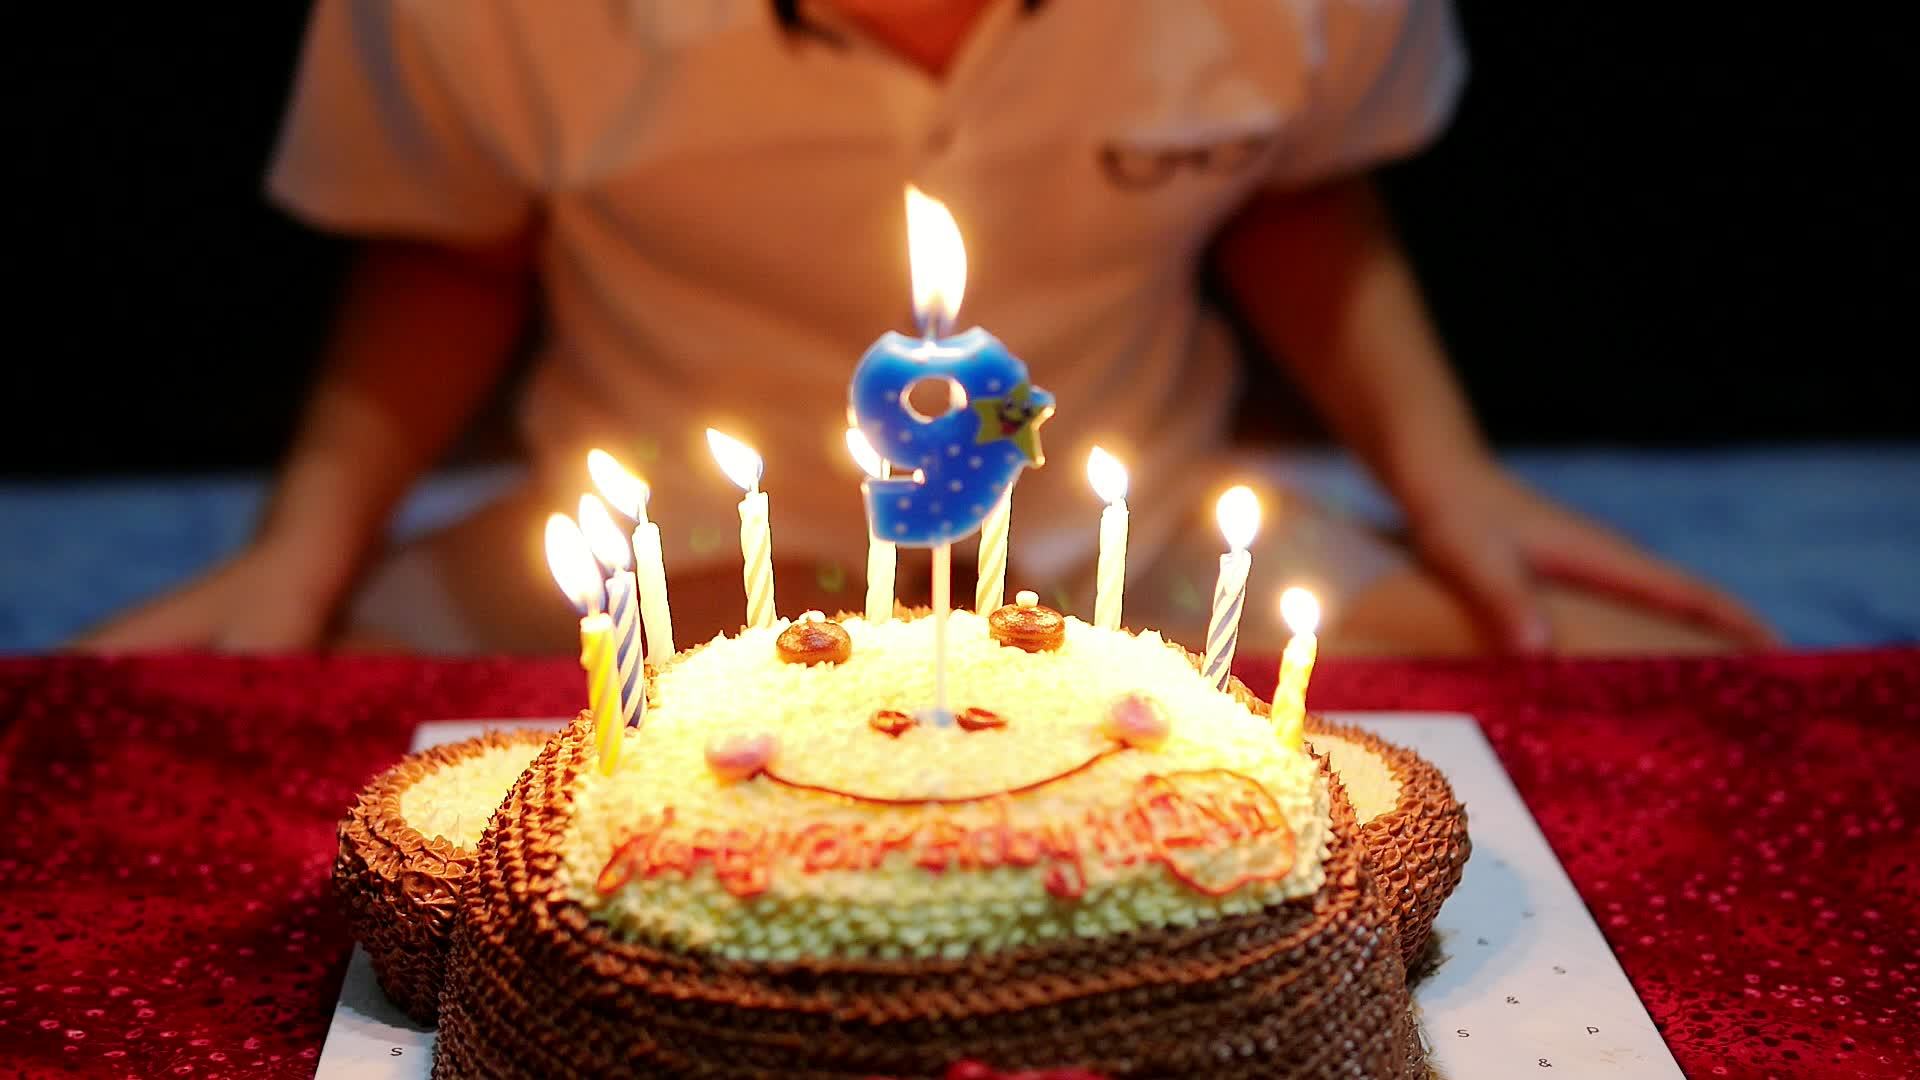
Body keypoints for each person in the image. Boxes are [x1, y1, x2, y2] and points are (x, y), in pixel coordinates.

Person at [79, 0, 1774, 657]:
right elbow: (452, 247)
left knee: (1701, 688)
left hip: (1143, 559)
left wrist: (1454, 479)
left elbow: (1294, 190)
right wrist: (302, 560)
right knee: (162, 740)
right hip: (648, 565)